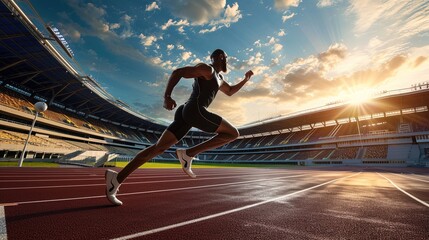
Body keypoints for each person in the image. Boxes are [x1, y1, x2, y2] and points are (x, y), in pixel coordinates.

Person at [105, 49, 254, 205]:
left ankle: (116, 179)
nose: (226, 61)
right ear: (221, 57)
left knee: (158, 148)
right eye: (224, 57)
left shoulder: (219, 78)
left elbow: (230, 91)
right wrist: (167, 96)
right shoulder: (207, 69)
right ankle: (189, 153)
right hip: (195, 110)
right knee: (232, 133)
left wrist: (246, 79)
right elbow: (178, 72)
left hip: (187, 112)